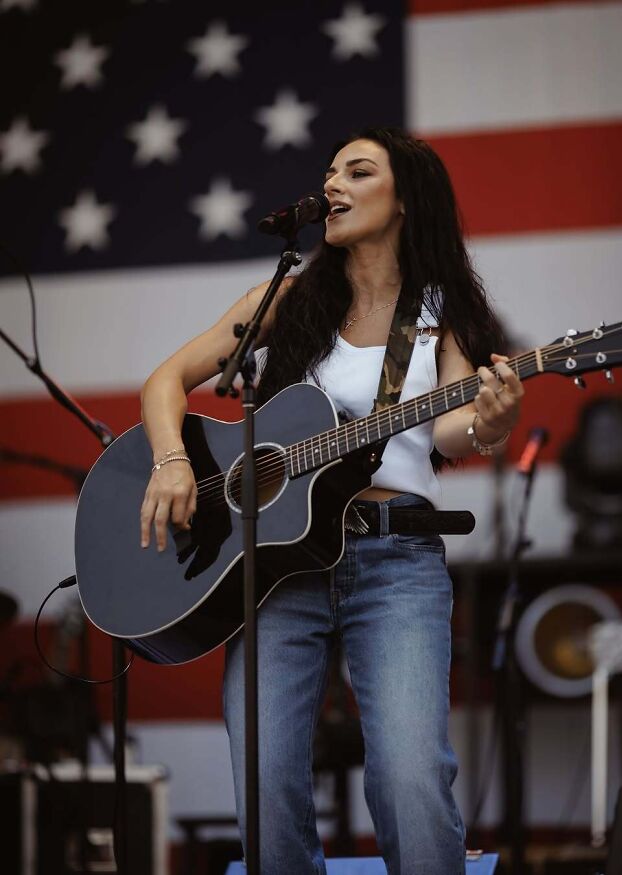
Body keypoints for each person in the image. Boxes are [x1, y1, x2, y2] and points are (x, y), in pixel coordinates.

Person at [139, 127, 524, 875]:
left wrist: (491, 421)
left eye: (358, 171)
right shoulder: (286, 299)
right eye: (330, 173)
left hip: (396, 557)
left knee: (411, 774)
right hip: (281, 568)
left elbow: (450, 423)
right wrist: (171, 460)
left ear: (405, 198)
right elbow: (166, 380)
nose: (333, 186)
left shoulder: (441, 310)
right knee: (265, 777)